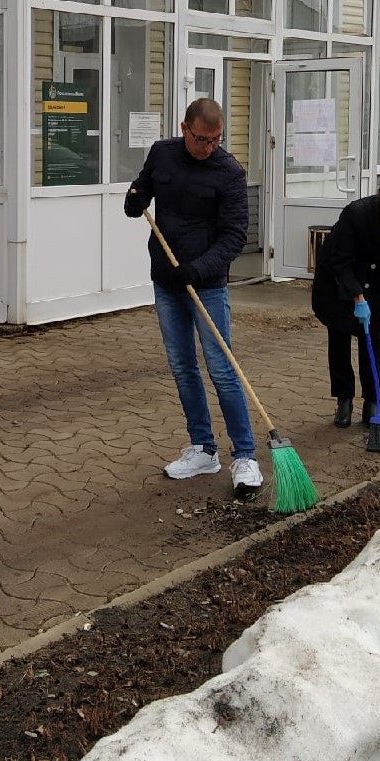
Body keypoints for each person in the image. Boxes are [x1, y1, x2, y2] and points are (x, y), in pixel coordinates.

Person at [124, 97, 262, 500]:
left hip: (207, 282)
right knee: (183, 368)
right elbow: (144, 187)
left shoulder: (229, 172)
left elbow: (235, 236)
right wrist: (135, 199)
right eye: (201, 139)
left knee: (222, 368)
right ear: (185, 129)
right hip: (165, 279)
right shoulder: (162, 153)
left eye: (215, 140)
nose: (208, 147)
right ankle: (203, 448)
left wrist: (199, 269)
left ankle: (245, 455)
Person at [311, 183, 380, 428]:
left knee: (372, 336)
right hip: (337, 278)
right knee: (339, 336)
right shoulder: (356, 214)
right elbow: (340, 260)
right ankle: (344, 400)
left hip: (376, 279)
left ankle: (372, 399)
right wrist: (357, 298)